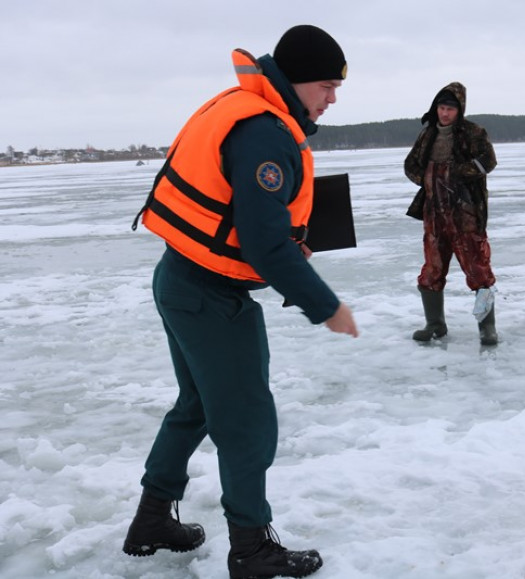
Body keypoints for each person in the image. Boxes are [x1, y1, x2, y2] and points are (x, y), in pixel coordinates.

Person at [125, 25, 358, 579]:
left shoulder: (247, 110)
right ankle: (252, 548)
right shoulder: (265, 133)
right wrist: (325, 305)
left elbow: (247, 220)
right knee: (248, 420)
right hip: (210, 293)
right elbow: (263, 244)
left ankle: (152, 519)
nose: (332, 97)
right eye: (327, 85)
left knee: (198, 406)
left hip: (180, 280)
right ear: (298, 81)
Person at [404, 82, 499, 346]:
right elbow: (410, 164)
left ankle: (486, 327)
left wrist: (457, 174)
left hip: (466, 215)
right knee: (432, 270)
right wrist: (426, 179)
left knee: (479, 270)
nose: (445, 114)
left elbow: (488, 161)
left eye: (450, 109)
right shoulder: (428, 134)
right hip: (434, 215)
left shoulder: (473, 133)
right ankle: (435, 324)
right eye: (441, 108)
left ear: (460, 110)